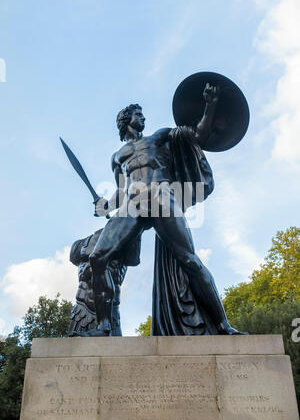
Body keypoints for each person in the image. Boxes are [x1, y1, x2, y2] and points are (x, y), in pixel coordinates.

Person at [89, 84, 244, 336]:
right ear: (127, 119)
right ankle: (103, 326)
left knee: (189, 260)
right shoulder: (117, 156)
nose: (143, 118)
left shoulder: (159, 137)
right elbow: (120, 190)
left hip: (160, 195)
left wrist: (210, 105)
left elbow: (198, 136)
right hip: (134, 203)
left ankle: (222, 324)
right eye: (138, 114)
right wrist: (105, 206)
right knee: (98, 258)